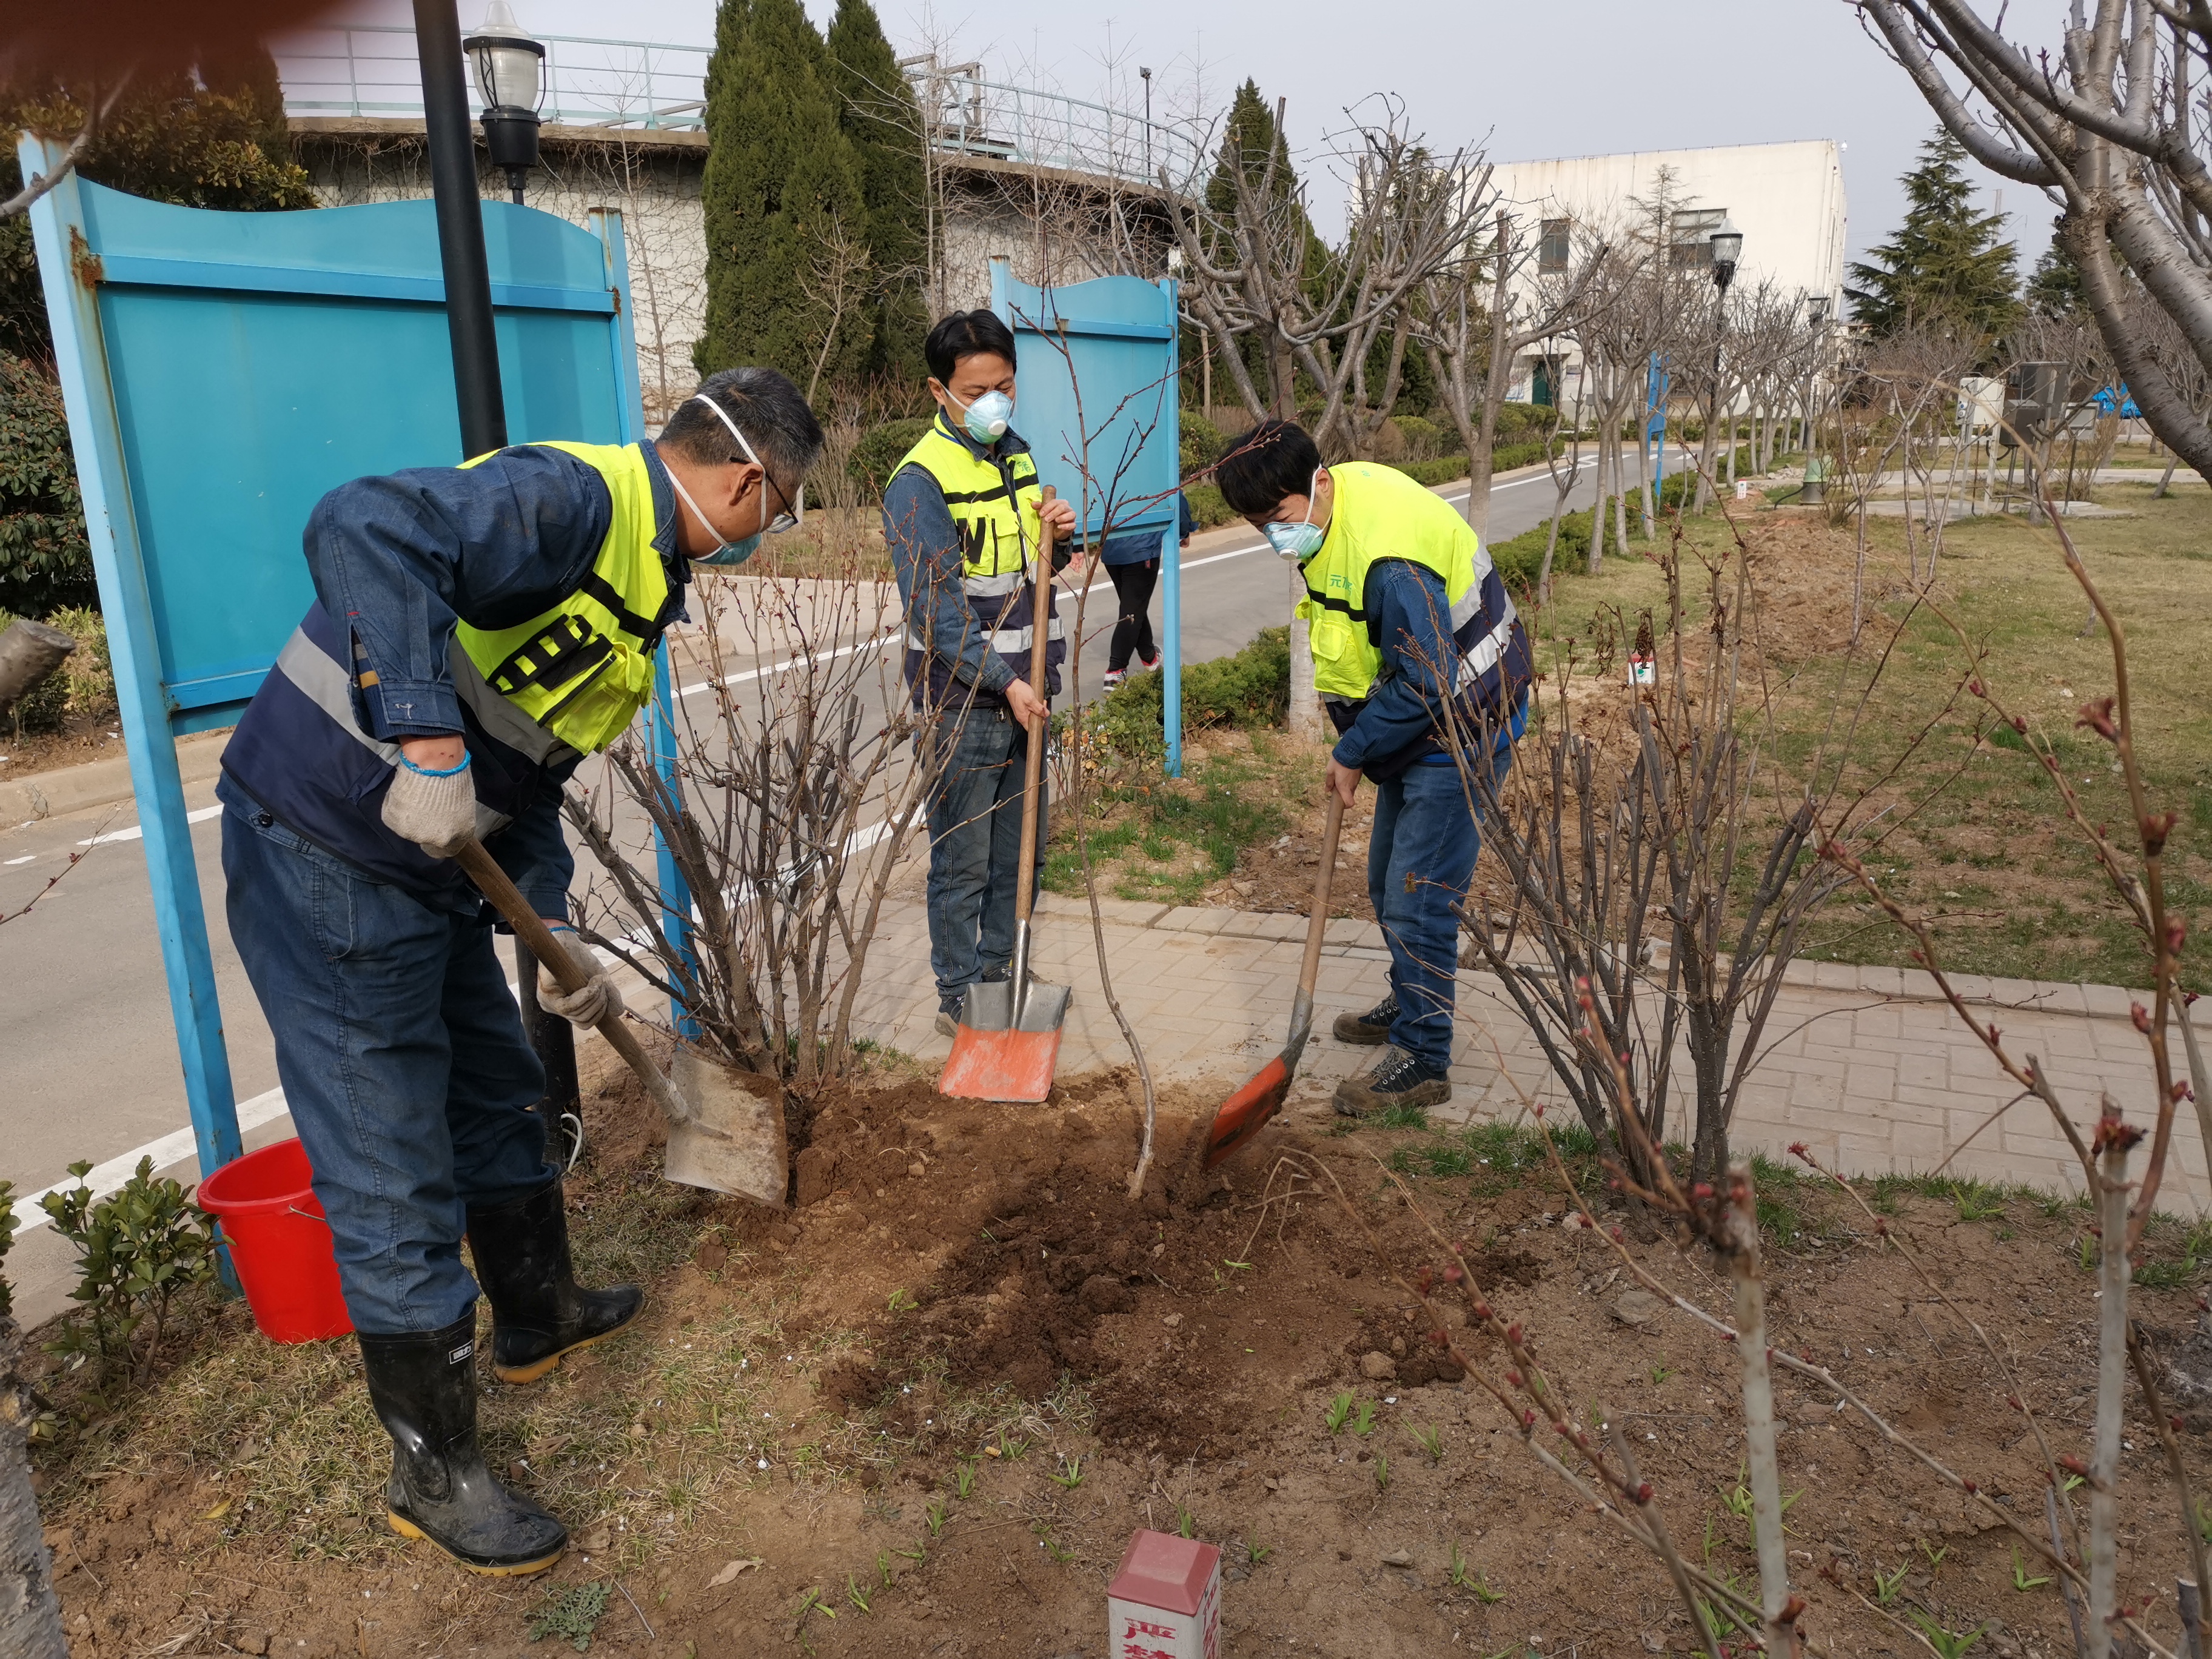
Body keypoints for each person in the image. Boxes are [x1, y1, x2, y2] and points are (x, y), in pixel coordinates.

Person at [216, 367, 824, 1576]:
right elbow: (361, 524)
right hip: (328, 836)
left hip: (436, 856)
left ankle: (537, 1314)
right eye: (788, 507)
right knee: (391, 1147)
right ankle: (434, 1477)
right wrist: (427, 745)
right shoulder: (572, 502)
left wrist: (558, 939)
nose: (779, 529)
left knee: (499, 1081)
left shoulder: (651, 572)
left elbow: (533, 761)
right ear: (751, 481)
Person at [1213, 419, 1531, 1116]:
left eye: (1280, 518)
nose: (1274, 536)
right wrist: (1362, 740)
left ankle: (1424, 1059)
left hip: (1464, 724)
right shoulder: (1334, 513)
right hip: (1416, 728)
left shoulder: (1389, 560)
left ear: (1318, 482)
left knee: (1419, 894)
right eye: (1258, 524)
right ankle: (1412, 999)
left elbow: (1428, 680)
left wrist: (1352, 751)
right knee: (1389, 885)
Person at [882, 310, 1079, 1036]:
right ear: (940, 391)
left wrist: (1060, 533)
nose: (994, 401)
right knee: (963, 862)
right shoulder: (918, 483)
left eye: (1005, 384)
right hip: (964, 705)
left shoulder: (1017, 456)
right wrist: (1006, 681)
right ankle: (961, 996)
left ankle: (1004, 975)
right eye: (975, 390)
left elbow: (1037, 573)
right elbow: (935, 611)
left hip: (1028, 694)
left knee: (1018, 857)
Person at [1099, 489, 1198, 690]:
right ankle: (1115, 671)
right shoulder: (1154, 463)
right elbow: (1174, 495)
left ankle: (1150, 658)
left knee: (1135, 606)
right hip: (1141, 549)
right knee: (1132, 611)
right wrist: (1183, 531)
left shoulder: (1111, 465)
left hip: (1111, 550)